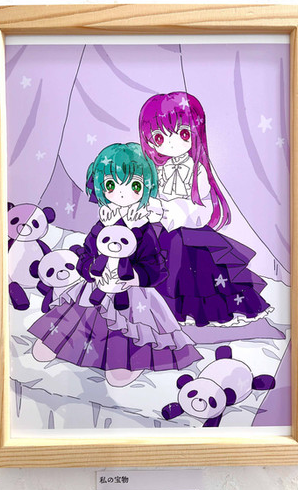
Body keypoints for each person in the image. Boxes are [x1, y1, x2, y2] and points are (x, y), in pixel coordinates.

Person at [29, 142, 202, 387]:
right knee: (73, 321)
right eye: (111, 185)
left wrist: (133, 278)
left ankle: (126, 361)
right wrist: (91, 272)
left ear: (146, 187)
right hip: (96, 288)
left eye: (133, 185)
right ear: (101, 187)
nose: (121, 193)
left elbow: (157, 268)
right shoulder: (103, 222)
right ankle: (60, 342)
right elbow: (85, 255)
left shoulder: (144, 229)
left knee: (127, 334)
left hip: (132, 297)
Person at [137, 91, 271, 328]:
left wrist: (171, 211)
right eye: (159, 137)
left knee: (200, 276)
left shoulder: (197, 170)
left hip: (192, 235)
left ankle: (200, 313)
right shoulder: (158, 170)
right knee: (162, 268)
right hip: (164, 233)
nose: (171, 143)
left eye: (182, 133)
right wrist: (153, 210)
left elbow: (203, 210)